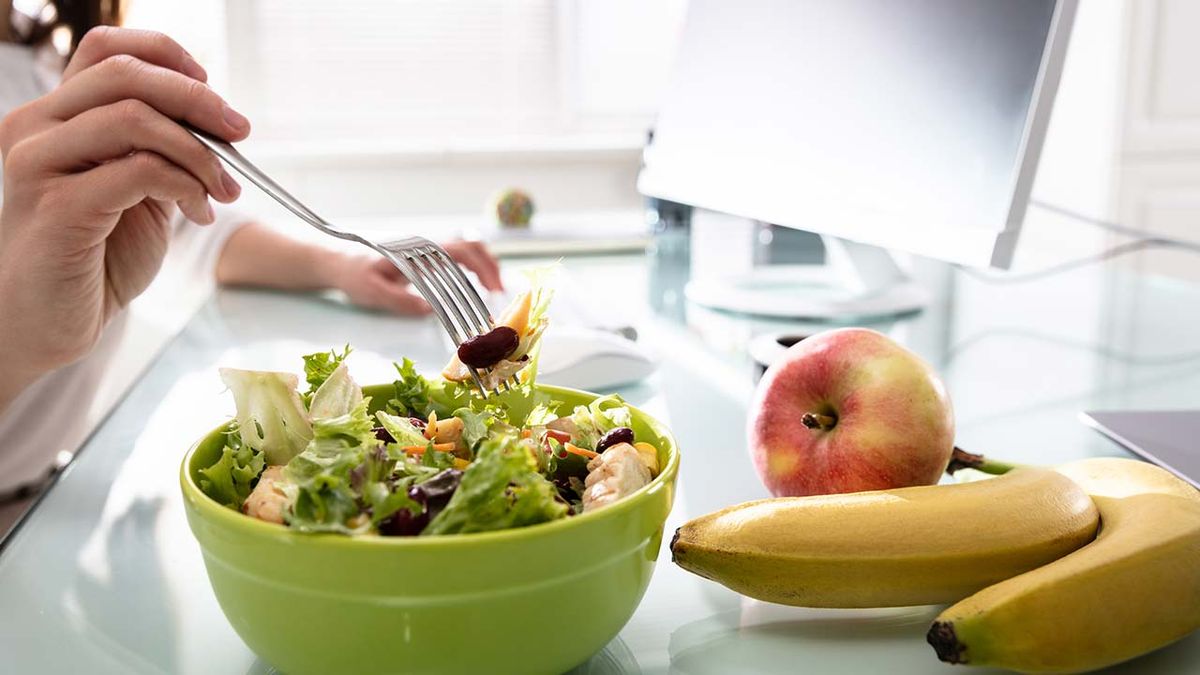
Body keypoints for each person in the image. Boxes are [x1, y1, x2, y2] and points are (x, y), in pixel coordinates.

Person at [0, 6, 502, 506]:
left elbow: (187, 227)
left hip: (52, 495)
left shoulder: (43, 55)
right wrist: (17, 342)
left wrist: (341, 264)